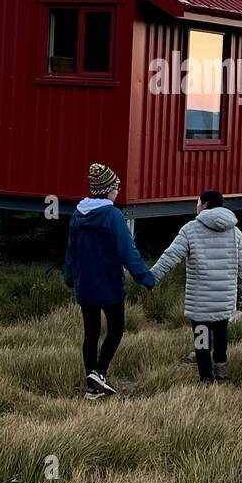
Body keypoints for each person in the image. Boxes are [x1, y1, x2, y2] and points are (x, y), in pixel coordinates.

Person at [64, 162, 155, 400]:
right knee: (115, 329)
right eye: (116, 187)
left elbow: (70, 250)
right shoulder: (113, 215)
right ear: (108, 189)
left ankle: (92, 387)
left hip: (85, 285)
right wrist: (145, 277)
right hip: (109, 284)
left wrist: (69, 277)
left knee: (91, 333)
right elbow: (128, 251)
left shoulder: (77, 215)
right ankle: (100, 371)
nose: (118, 192)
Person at [150, 189, 242, 384]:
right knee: (221, 332)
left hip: (201, 302)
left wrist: (151, 277)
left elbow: (170, 257)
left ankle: (206, 378)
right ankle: (221, 370)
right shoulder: (235, 232)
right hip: (224, 299)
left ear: (203, 205)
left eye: (198, 201)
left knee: (202, 339)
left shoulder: (190, 229)